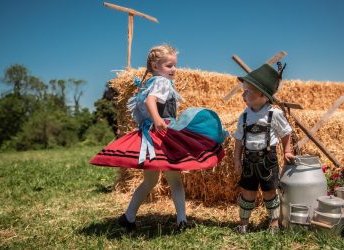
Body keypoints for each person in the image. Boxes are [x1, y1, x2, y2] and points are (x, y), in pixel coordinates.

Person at [90, 44, 226, 233]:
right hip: (162, 135)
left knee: (150, 182)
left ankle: (128, 217)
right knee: (175, 180)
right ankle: (182, 221)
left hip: (153, 135)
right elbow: (150, 101)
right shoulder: (161, 82)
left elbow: (145, 103)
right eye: (169, 66)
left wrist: (153, 120)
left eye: (175, 65)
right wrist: (157, 119)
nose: (174, 69)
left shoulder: (150, 82)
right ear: (155, 65)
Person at [233, 63, 295, 233]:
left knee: (269, 193)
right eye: (243, 90)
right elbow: (238, 139)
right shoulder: (244, 115)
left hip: (268, 160)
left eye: (248, 91)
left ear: (262, 94)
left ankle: (274, 224)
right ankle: (243, 224)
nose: (243, 94)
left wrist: (287, 150)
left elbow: (285, 132)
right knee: (247, 193)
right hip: (248, 160)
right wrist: (237, 159)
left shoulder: (274, 114)